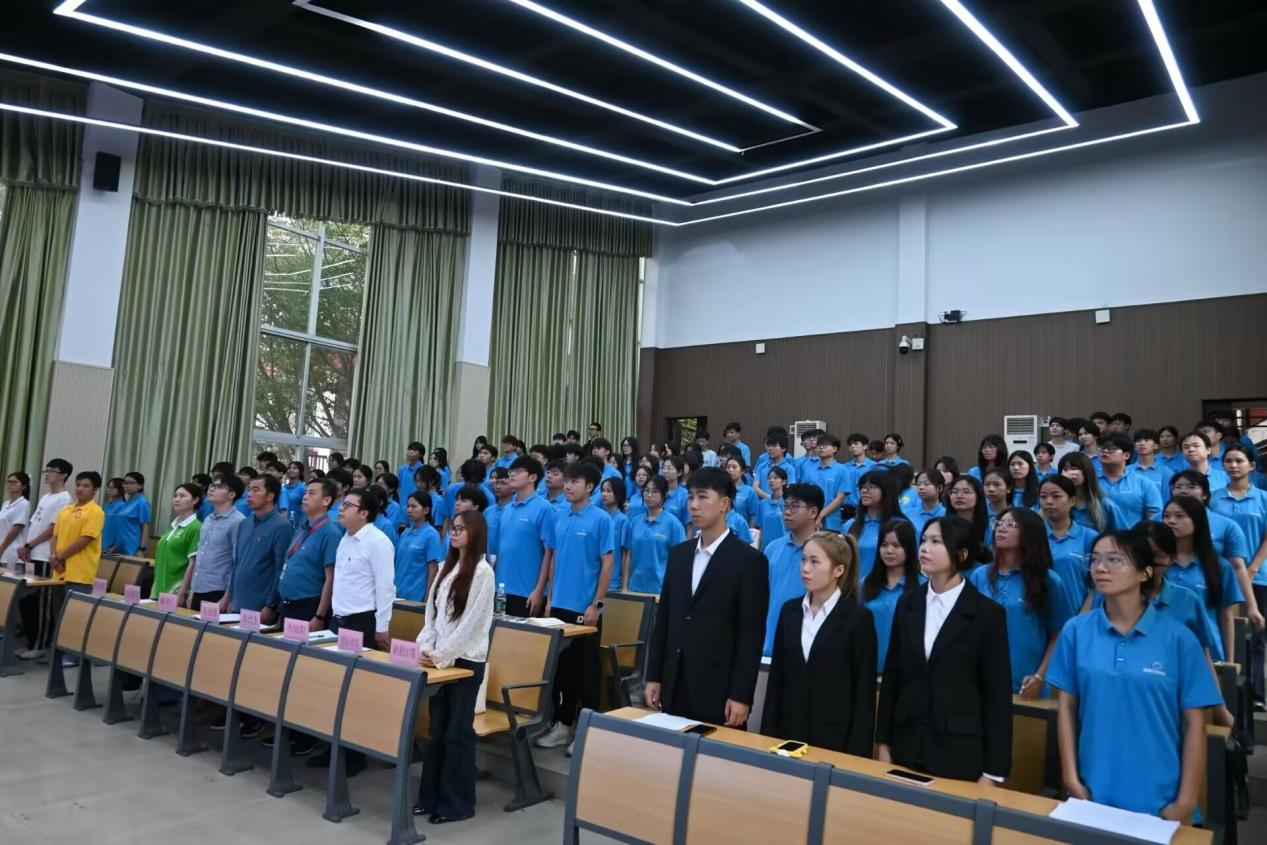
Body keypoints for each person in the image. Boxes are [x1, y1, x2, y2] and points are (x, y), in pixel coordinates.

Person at [1049, 529, 1221, 824]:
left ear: (1144, 572)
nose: (1101, 568)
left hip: (1160, 799)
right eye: (1095, 559)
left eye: (1114, 560)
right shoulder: (1075, 631)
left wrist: (1185, 801)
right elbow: (1066, 708)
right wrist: (1071, 778)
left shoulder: (1179, 639)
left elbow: (1195, 725)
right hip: (1092, 791)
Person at [875, 516, 1011, 784]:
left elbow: (997, 695)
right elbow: (893, 676)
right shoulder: (908, 602)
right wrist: (883, 741)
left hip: (958, 751)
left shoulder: (987, 614)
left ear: (961, 554)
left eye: (936, 541)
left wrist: (993, 771)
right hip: (906, 743)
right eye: (924, 540)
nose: (925, 548)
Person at [645, 467, 768, 727]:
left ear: (724, 504)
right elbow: (664, 620)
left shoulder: (749, 561)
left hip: (718, 687)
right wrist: (654, 675)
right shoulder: (680, 554)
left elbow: (751, 635)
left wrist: (741, 694)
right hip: (675, 680)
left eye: (703, 497)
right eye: (691, 497)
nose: (694, 505)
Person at [413, 509, 495, 824]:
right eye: (453, 528)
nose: (454, 533)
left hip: (465, 660)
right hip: (440, 660)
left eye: (461, 529)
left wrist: (443, 654)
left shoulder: (483, 572)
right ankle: (429, 797)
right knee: (436, 729)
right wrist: (426, 647)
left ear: (475, 533)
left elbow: (473, 624)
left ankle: (456, 804)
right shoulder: (448, 567)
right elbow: (431, 614)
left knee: (457, 732)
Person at [762, 531, 876, 755]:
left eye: (815, 562)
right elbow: (777, 679)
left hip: (833, 736)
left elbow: (863, 691)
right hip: (787, 729)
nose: (805, 568)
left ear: (838, 570)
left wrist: (857, 752)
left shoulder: (858, 619)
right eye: (803, 559)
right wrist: (768, 733)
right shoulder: (790, 611)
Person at [535, 462, 613, 754]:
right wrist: (550, 598)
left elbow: (607, 563)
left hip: (585, 609)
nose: (568, 486)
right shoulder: (559, 516)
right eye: (566, 481)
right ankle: (563, 724)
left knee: (586, 672)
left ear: (590, 487)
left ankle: (586, 731)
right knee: (562, 669)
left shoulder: (601, 519)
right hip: (559, 605)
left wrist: (596, 603)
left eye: (575, 481)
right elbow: (554, 557)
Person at [969, 508, 1075, 698]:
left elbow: (1058, 634)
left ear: (1030, 533)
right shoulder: (980, 575)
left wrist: (1040, 676)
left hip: (1027, 685)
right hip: (981, 682)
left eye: (1011, 525)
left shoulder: (1048, 580)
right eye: (999, 524)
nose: (1001, 528)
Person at [1210, 442, 1267, 706]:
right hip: (1223, 576)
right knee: (1225, 629)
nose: (1233, 466)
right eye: (1228, 461)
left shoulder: (1263, 498)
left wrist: (1253, 567)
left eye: (1239, 461)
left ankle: (1257, 693)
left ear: (1251, 466)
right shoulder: (1214, 498)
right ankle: (1225, 689)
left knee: (1256, 635)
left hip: (1259, 575)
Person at [1162, 496, 1243, 662]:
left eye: (1179, 516)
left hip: (1206, 652)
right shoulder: (1154, 564)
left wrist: (1229, 662)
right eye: (1166, 516)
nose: (1171, 521)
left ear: (1197, 521)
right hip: (1162, 650)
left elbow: (1225, 615)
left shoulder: (1219, 567)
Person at [16, 459, 73, 658]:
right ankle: (31, 641)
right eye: (46, 470)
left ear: (64, 475)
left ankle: (41, 645)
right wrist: (26, 546)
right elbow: (34, 524)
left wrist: (30, 545)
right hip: (32, 553)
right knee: (28, 600)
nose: (47, 474)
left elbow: (52, 529)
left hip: (44, 555)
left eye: (52, 471)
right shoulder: (46, 496)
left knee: (42, 603)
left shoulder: (64, 499)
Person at [762, 484, 823, 657]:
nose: (787, 512)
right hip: (770, 640)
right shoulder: (772, 548)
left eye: (794, 507)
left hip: (808, 644)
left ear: (813, 512)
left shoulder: (826, 551)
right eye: (785, 506)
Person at [273, 478, 340, 637]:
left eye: (311, 493)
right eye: (304, 493)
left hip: (308, 606)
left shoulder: (331, 533)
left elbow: (331, 578)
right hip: (287, 603)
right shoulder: (302, 528)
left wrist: (319, 615)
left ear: (326, 500)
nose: (305, 497)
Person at [495, 457, 555, 617]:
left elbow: (549, 554)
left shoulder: (545, 509)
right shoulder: (507, 509)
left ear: (533, 477)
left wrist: (539, 590)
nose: (512, 475)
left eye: (519, 471)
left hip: (527, 592)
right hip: (500, 589)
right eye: (511, 471)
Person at [861, 519, 921, 672]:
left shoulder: (923, 586)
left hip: (907, 671)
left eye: (896, 546)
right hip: (869, 668)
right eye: (884, 545)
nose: (889, 551)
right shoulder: (864, 584)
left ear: (909, 548)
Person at [228, 475, 291, 616]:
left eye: (256, 490)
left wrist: (271, 605)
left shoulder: (282, 527)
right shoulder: (245, 523)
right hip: (237, 602)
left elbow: (280, 570)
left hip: (260, 606)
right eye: (249, 489)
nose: (249, 494)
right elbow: (237, 563)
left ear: (270, 496)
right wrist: (230, 597)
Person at [180, 476, 245, 610]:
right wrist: (192, 590)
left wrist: (227, 598)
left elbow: (238, 563)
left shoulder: (238, 521)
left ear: (231, 495)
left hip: (219, 591)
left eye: (219, 486)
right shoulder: (208, 519)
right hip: (198, 588)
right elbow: (200, 556)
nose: (212, 489)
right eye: (212, 485)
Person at [1038, 476, 1097, 611]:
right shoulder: (1032, 535)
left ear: (1072, 501)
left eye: (1056, 496)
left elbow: (1097, 585)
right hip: (1039, 616)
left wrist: (1083, 616)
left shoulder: (1089, 537)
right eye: (1043, 496)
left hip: (1078, 613)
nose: (1048, 502)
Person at [622, 476, 686, 593]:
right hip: (634, 588)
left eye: (655, 491)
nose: (649, 495)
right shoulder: (635, 522)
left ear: (664, 495)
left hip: (660, 590)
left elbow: (679, 562)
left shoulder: (674, 524)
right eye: (646, 491)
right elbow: (629, 555)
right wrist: (625, 587)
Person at [49, 472, 106, 602]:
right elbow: (55, 535)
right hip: (59, 570)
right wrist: (53, 556)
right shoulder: (65, 510)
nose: (80, 489)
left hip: (80, 574)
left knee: (74, 612)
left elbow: (85, 539)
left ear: (95, 490)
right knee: (57, 610)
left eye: (86, 486)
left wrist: (59, 557)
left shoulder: (96, 512)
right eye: (78, 485)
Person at [844, 470, 906, 582]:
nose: (864, 491)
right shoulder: (850, 525)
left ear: (886, 490)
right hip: (853, 588)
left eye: (870, 487)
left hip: (885, 588)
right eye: (862, 487)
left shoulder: (900, 525)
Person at [150, 484, 202, 598]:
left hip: (176, 590)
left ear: (195, 500)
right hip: (159, 586)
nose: (177, 499)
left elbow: (193, 563)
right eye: (175, 496)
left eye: (182, 496)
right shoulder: (172, 525)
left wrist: (181, 593)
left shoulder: (196, 527)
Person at [1096, 434, 1162, 522]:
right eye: (1102, 448)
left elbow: (1154, 518)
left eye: (1112, 448)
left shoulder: (1144, 483)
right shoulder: (1089, 481)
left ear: (1126, 455)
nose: (1105, 451)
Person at [394, 489, 445, 602]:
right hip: (397, 592)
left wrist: (428, 598)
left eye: (414, 506)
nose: (409, 510)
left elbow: (433, 568)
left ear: (426, 510)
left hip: (416, 596)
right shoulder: (405, 533)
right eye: (408, 506)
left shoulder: (431, 535)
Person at [1058, 452, 1124, 533]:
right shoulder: (1057, 505)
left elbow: (1122, 535)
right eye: (1065, 470)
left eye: (1074, 468)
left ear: (1086, 471)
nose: (1069, 473)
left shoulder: (1105, 505)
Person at [800, 433, 849, 531]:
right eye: (819, 445)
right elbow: (803, 494)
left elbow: (840, 498)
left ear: (835, 449)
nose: (821, 447)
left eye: (825, 445)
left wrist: (821, 515)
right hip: (809, 519)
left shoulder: (842, 470)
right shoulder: (808, 469)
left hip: (832, 521)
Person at [600, 477, 628, 592]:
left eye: (609, 491)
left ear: (618, 494)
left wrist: (623, 584)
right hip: (595, 579)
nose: (604, 494)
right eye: (603, 490)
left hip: (613, 582)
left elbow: (625, 554)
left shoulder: (623, 521)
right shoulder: (599, 518)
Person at [945, 474, 990, 545]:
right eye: (954, 492)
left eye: (966, 492)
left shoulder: (989, 529)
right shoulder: (942, 526)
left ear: (978, 496)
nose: (959, 496)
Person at [115, 472, 152, 556]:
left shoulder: (142, 502)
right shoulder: (127, 502)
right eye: (125, 483)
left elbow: (145, 527)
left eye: (131, 483)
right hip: (121, 547)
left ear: (140, 486)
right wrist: (115, 546)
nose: (127, 485)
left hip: (133, 548)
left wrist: (141, 549)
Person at [902, 468, 946, 538]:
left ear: (940, 488)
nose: (921, 487)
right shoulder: (908, 514)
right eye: (918, 484)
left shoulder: (946, 514)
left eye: (926, 484)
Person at [0, 471, 31, 566]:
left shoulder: (24, 504)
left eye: (15, 482)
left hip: (12, 554)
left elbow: (16, 529)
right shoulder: (5, 504)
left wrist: (2, 548)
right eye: (9, 482)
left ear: (24, 486)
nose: (10, 484)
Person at [754, 432, 797, 499]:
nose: (770, 449)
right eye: (768, 446)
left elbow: (790, 489)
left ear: (783, 449)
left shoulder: (789, 468)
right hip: (762, 503)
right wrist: (769, 498)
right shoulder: (761, 466)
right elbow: (755, 487)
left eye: (774, 446)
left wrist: (775, 499)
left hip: (781, 503)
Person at [757, 466, 788, 550]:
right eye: (769, 478)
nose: (771, 480)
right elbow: (761, 529)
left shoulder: (788, 503)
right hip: (766, 548)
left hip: (783, 548)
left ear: (784, 482)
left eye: (775, 478)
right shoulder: (762, 503)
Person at [723, 455, 757, 529]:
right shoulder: (720, 489)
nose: (730, 470)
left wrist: (751, 532)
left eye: (734, 467)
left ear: (742, 471)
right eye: (728, 467)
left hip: (741, 532)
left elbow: (753, 516)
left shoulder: (749, 491)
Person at [980, 468, 1011, 543]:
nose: (991, 489)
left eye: (997, 484)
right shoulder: (979, 513)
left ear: (1009, 488)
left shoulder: (1016, 515)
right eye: (987, 484)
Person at [661, 456, 689, 527]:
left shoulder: (685, 496)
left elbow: (689, 525)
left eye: (669, 468)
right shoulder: (657, 491)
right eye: (663, 468)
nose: (665, 471)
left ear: (679, 472)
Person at [100, 477, 125, 553]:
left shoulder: (123, 506)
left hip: (114, 548)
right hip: (103, 545)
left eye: (113, 488)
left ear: (121, 489)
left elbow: (122, 529)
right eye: (108, 487)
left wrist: (115, 546)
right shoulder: (107, 506)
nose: (109, 490)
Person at [281, 461, 307, 528]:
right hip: (282, 522)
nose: (291, 470)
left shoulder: (302, 488)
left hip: (296, 524)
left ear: (300, 472)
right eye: (289, 468)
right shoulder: (283, 488)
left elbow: (306, 509)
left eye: (294, 468)